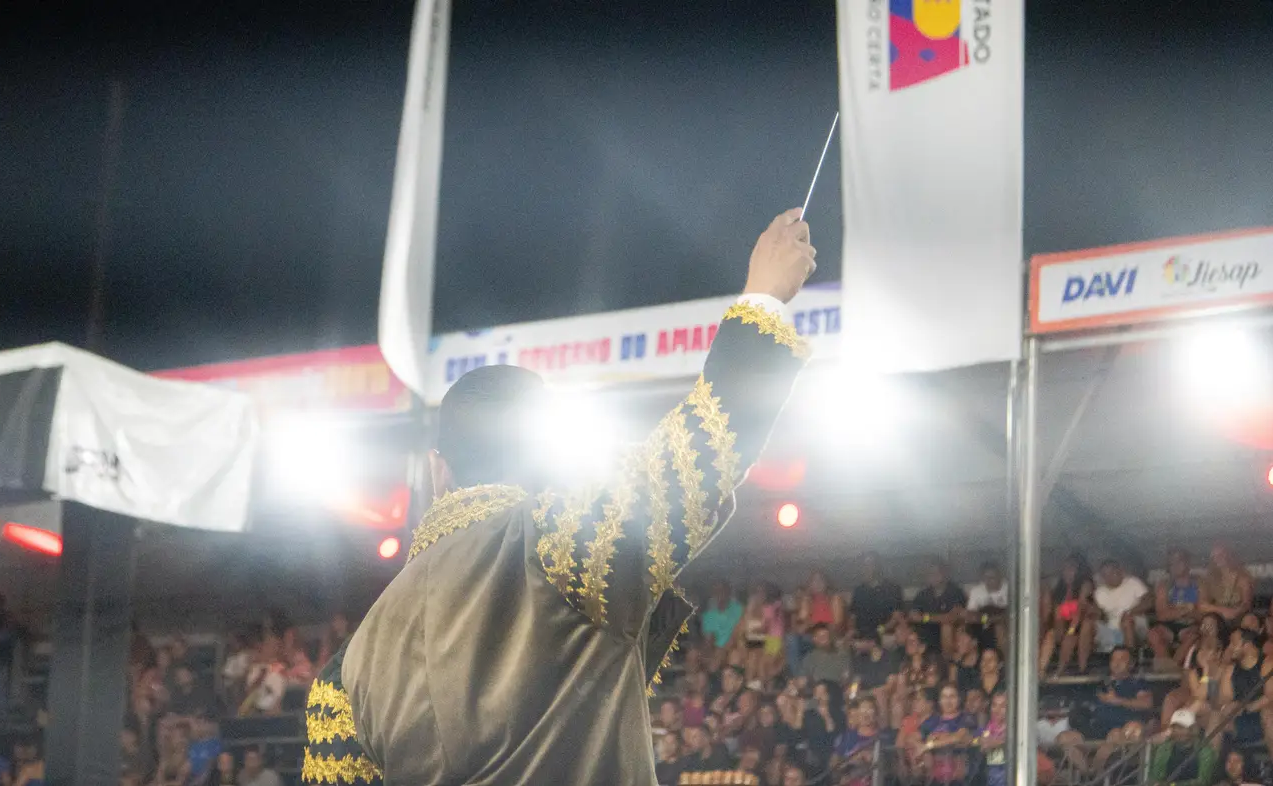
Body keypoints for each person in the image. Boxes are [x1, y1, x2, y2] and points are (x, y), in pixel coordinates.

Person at [302, 210, 817, 785]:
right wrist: (766, 294)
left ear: (436, 471)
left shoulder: (343, 675)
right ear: (548, 461)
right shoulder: (563, 541)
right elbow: (704, 446)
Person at [1038, 553, 1096, 676]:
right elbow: (1057, 614)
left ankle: (1080, 669)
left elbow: (1080, 609)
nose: (1067, 572)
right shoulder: (1060, 589)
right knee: (1051, 635)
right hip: (1065, 625)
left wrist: (1071, 630)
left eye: (1071, 568)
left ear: (1079, 571)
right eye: (1065, 569)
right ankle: (1041, 670)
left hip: (1083, 622)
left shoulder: (1086, 585)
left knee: (1072, 636)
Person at [1150, 548, 1203, 668]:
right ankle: (1166, 668)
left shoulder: (1199, 584)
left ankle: (1171, 668)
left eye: (1179, 561)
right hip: (1168, 627)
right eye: (1171, 563)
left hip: (1191, 626)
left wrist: (1173, 609)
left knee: (1193, 635)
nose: (1175, 565)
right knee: (1154, 634)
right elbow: (1162, 615)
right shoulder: (1164, 586)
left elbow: (1201, 614)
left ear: (1187, 563)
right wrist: (1187, 610)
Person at [1091, 646, 1154, 737]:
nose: (1117, 663)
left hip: (1124, 727)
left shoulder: (1137, 683)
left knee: (1122, 732)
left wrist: (1118, 701)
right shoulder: (1099, 683)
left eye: (1122, 659)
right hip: (1098, 728)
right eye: (1114, 660)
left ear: (1131, 664)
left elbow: (1146, 703)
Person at [909, 558, 967, 656]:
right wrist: (938, 618)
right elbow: (913, 616)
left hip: (948, 633)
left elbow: (951, 618)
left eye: (936, 573)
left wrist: (925, 617)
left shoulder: (955, 592)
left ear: (945, 573)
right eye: (930, 574)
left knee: (946, 627)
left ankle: (947, 662)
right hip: (925, 632)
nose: (933, 577)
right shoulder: (922, 594)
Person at [1092, 560, 1151, 654]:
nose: (1109, 577)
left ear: (1120, 571)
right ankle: (1083, 662)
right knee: (1088, 624)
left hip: (1135, 623)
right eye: (1105, 575)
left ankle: (1130, 657)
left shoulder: (1133, 582)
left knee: (1126, 621)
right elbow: (1098, 613)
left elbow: (1148, 602)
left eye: (1111, 573)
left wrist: (1130, 612)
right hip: (1111, 627)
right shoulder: (1099, 592)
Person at [849, 552, 904, 650]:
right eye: (863, 566)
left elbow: (896, 618)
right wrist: (852, 630)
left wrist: (878, 631)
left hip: (885, 633)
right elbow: (853, 617)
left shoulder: (892, 588)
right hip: (862, 635)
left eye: (869, 565)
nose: (865, 569)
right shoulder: (858, 590)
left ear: (877, 566)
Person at [1147, 709, 1217, 786]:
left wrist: (1173, 785)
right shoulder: (1163, 749)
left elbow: (1203, 781)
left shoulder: (1205, 751)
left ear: (1193, 729)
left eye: (1181, 728)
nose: (1177, 731)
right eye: (1174, 727)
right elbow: (1155, 776)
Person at [966, 561, 1008, 654]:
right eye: (986, 578)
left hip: (1004, 625)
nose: (989, 581)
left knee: (999, 626)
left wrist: (994, 619)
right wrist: (986, 619)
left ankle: (1004, 658)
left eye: (992, 577)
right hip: (982, 624)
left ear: (999, 576)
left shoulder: (1010, 589)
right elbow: (971, 616)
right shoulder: (976, 591)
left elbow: (1012, 614)